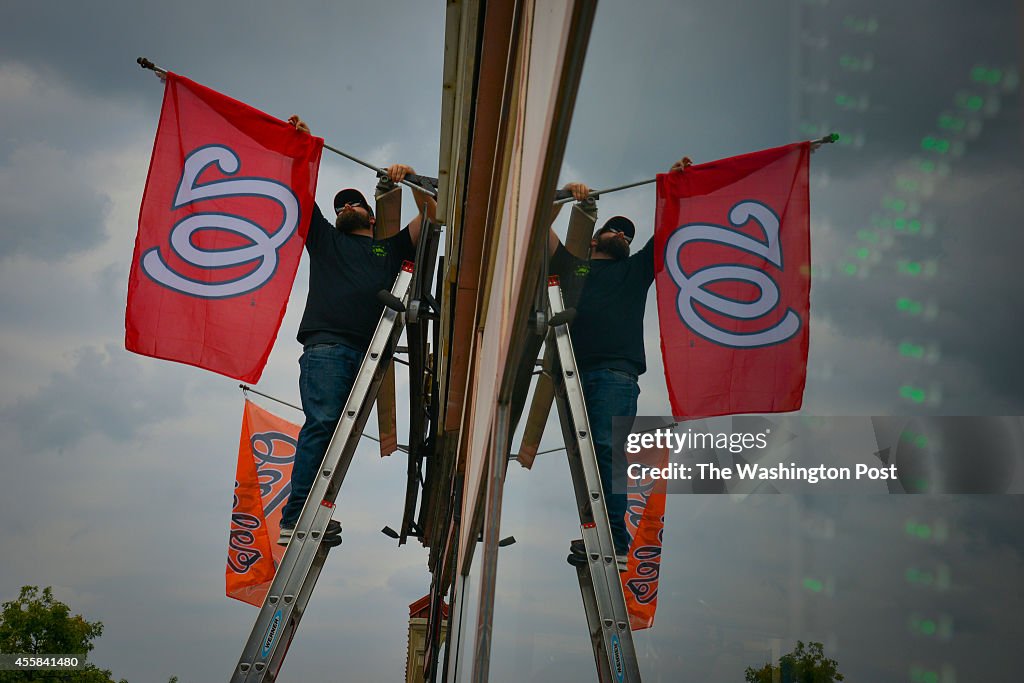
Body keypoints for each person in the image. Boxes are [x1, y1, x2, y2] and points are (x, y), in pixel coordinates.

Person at [278, 115, 436, 545]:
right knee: (324, 422)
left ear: (369, 215)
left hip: (368, 355)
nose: (346, 208)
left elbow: (433, 216)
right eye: (340, 205)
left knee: (338, 435)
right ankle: (296, 517)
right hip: (327, 348)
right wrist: (302, 145)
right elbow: (299, 194)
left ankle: (312, 512)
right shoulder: (326, 241)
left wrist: (412, 179)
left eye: (354, 204)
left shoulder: (388, 247)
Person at [549, 157, 691, 569]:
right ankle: (600, 532)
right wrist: (564, 195)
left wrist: (678, 184)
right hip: (570, 373)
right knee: (587, 458)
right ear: (593, 239)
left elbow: (670, 231)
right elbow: (538, 229)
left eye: (627, 234)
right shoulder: (574, 267)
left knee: (608, 451)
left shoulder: (634, 271)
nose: (621, 235)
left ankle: (613, 538)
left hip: (614, 373)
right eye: (613, 228)